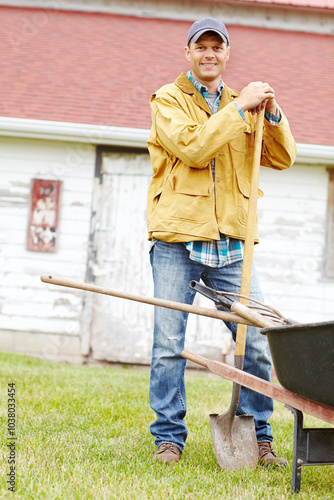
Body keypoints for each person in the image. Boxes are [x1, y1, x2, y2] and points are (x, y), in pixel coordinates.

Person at [146, 17, 296, 466]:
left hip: (232, 242)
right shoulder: (168, 99)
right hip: (177, 238)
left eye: (218, 47)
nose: (209, 54)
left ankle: (260, 434)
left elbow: (282, 157)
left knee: (254, 339)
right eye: (201, 47)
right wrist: (239, 109)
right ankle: (169, 439)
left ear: (227, 53)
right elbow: (193, 148)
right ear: (188, 53)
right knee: (169, 343)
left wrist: (270, 113)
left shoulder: (244, 104)